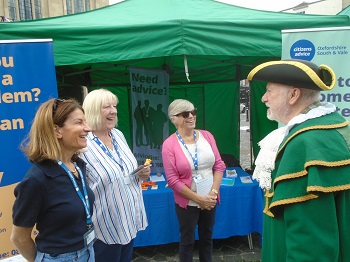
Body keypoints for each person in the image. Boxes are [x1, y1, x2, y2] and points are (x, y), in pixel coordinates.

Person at [247, 59, 350, 262]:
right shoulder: (337, 128)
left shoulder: (305, 144)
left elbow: (310, 244)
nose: (264, 98)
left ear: (294, 95)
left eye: (269, 91)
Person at [11, 98, 95, 262]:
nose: (88, 128)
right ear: (57, 131)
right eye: (79, 122)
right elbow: (19, 238)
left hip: (88, 252)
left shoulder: (78, 166)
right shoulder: (37, 180)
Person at [80, 89, 150, 262]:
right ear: (93, 110)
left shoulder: (118, 135)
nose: (114, 110)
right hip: (104, 226)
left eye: (114, 106)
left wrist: (141, 174)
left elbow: (122, 169)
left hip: (128, 218)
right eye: (107, 107)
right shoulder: (82, 143)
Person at [162, 99, 226, 262]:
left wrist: (212, 193)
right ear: (174, 119)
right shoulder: (169, 145)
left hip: (209, 199)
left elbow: (219, 165)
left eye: (193, 112)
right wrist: (198, 199)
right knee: (187, 241)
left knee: (207, 239)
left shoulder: (207, 136)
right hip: (187, 203)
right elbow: (172, 180)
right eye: (185, 113)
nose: (191, 116)